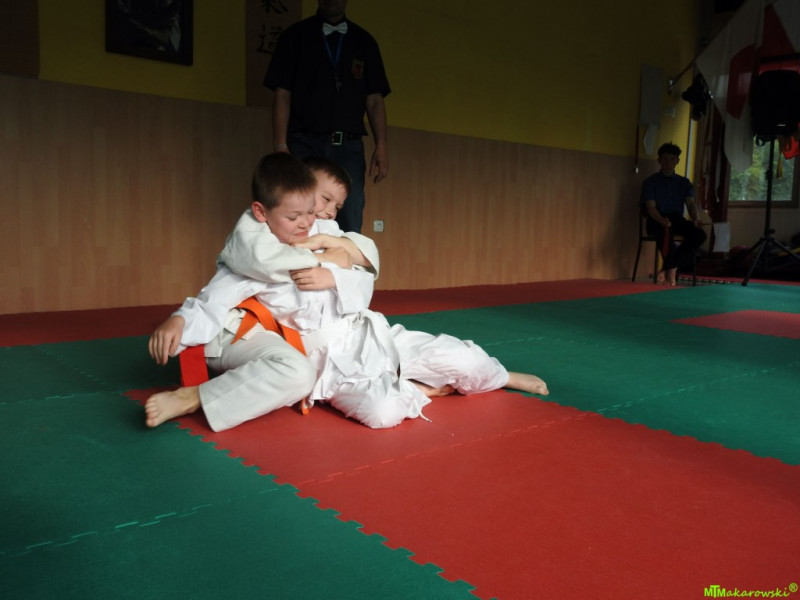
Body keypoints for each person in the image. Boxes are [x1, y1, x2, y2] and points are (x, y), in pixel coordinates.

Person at [174, 155, 549, 430]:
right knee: (382, 413)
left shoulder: (337, 238)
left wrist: (333, 274)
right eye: (320, 200)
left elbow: (366, 274)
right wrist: (179, 327)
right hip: (326, 362)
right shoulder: (260, 251)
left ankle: (499, 377)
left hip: (371, 335)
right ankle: (415, 389)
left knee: (463, 359)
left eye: (334, 206)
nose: (324, 213)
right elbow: (213, 301)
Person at [145, 154, 376, 432]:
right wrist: (180, 319)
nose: (307, 222)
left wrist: (332, 265)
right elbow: (215, 297)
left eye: (312, 213)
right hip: (230, 333)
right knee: (298, 372)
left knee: (305, 370)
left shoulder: (303, 238)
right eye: (295, 216)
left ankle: (207, 393)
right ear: (261, 213)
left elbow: (361, 261)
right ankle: (193, 397)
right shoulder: (253, 249)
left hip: (268, 337)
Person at [264, 0, 390, 234]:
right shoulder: (294, 36)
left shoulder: (365, 42)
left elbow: (374, 100)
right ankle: (297, 259)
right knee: (297, 213)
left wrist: (381, 145)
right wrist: (280, 145)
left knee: (350, 216)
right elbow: (282, 95)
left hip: (349, 147)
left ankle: (342, 259)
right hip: (303, 143)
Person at [641, 142, 707, 286]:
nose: (668, 163)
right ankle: (671, 271)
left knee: (699, 234)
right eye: (665, 159)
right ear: (659, 161)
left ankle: (669, 267)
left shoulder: (684, 182)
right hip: (656, 219)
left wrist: (696, 219)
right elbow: (651, 207)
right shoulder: (650, 182)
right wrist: (661, 219)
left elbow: (690, 204)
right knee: (666, 232)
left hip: (677, 219)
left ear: (677, 161)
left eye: (672, 159)